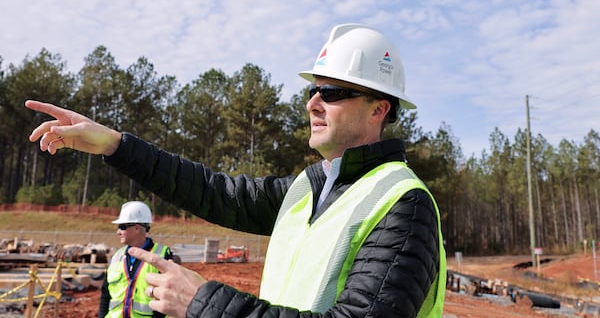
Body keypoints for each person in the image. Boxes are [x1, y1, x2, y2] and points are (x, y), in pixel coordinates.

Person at [26, 23, 446, 318]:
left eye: (332, 92)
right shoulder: (309, 188)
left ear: (379, 109)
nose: (312, 103)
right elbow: (213, 191)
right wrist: (116, 145)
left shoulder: (403, 205)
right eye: (313, 89)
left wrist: (201, 302)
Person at [97, 200, 173, 318]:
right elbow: (105, 296)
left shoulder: (162, 256)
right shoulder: (117, 257)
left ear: (137, 228)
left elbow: (167, 299)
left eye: (122, 227)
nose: (118, 232)